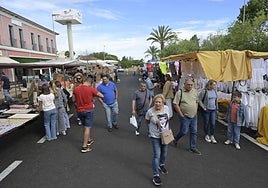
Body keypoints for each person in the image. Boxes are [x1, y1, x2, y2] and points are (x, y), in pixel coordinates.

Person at [73, 76, 103, 153]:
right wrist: (93, 95)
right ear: (91, 83)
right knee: (87, 127)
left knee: (84, 126)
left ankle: (89, 139)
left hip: (79, 110)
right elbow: (101, 95)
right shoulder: (91, 89)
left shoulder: (76, 89)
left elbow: (73, 100)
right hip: (88, 110)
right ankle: (85, 146)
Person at [145, 94, 170, 186]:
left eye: (159, 102)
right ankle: (156, 175)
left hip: (165, 135)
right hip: (155, 136)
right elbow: (147, 121)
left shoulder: (167, 108)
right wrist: (150, 131)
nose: (158, 104)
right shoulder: (150, 112)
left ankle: (161, 165)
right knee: (157, 155)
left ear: (163, 102)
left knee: (165, 152)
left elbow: (168, 119)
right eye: (156, 102)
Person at [172, 78, 201, 155]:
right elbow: (175, 104)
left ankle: (193, 148)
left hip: (194, 116)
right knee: (184, 131)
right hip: (184, 116)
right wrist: (181, 114)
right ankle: (176, 138)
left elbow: (197, 102)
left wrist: (195, 110)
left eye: (191, 85)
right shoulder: (180, 92)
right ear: (184, 84)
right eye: (188, 84)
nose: (190, 86)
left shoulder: (194, 92)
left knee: (194, 132)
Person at [198, 79, 218, 143]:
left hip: (213, 109)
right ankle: (206, 134)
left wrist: (217, 108)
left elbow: (216, 101)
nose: (215, 86)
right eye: (214, 84)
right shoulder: (204, 91)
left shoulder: (215, 91)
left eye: (215, 84)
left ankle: (212, 135)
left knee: (213, 123)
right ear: (210, 84)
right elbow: (199, 99)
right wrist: (203, 106)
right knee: (206, 123)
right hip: (207, 109)